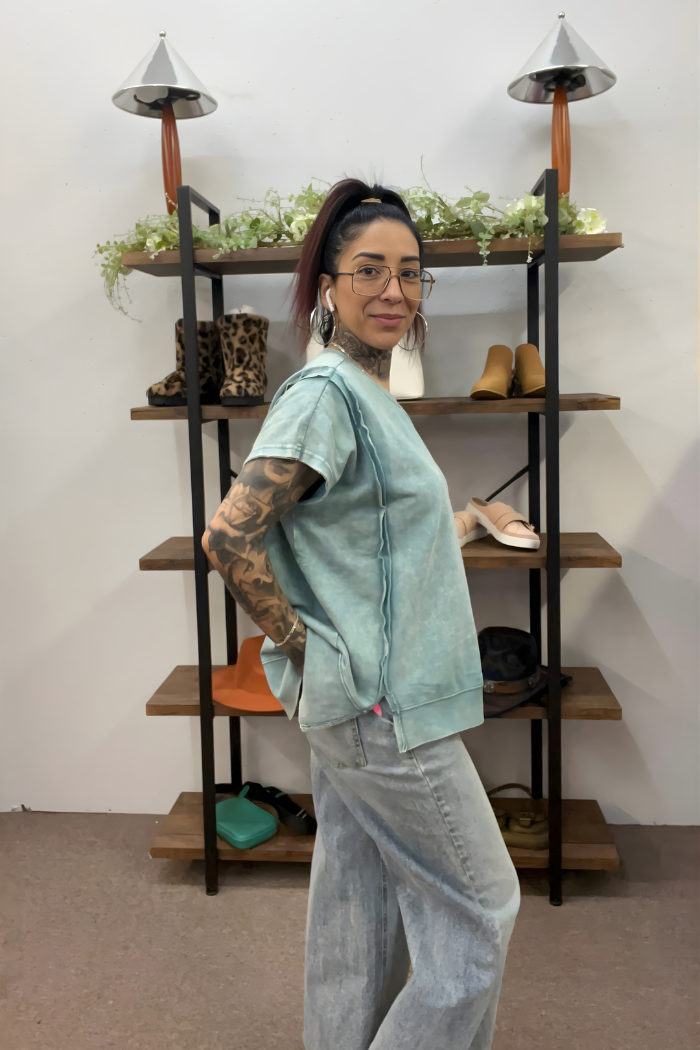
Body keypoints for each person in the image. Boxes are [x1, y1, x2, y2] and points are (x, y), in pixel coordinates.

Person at [202, 179, 520, 1050]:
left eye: (412, 273)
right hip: (383, 707)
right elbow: (230, 538)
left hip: (361, 705)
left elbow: (371, 537)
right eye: (370, 270)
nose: (394, 291)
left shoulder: (366, 394)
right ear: (327, 284)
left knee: (360, 904)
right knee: (483, 910)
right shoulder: (325, 395)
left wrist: (471, 519)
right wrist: (310, 646)